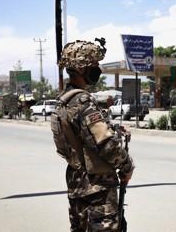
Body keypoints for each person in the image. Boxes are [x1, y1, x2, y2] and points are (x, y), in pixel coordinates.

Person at [52, 39, 135, 232]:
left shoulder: (63, 102)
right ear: (81, 68)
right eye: (94, 65)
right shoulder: (83, 102)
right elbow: (106, 144)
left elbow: (80, 138)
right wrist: (127, 166)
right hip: (97, 188)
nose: (97, 69)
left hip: (76, 184)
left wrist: (113, 129)